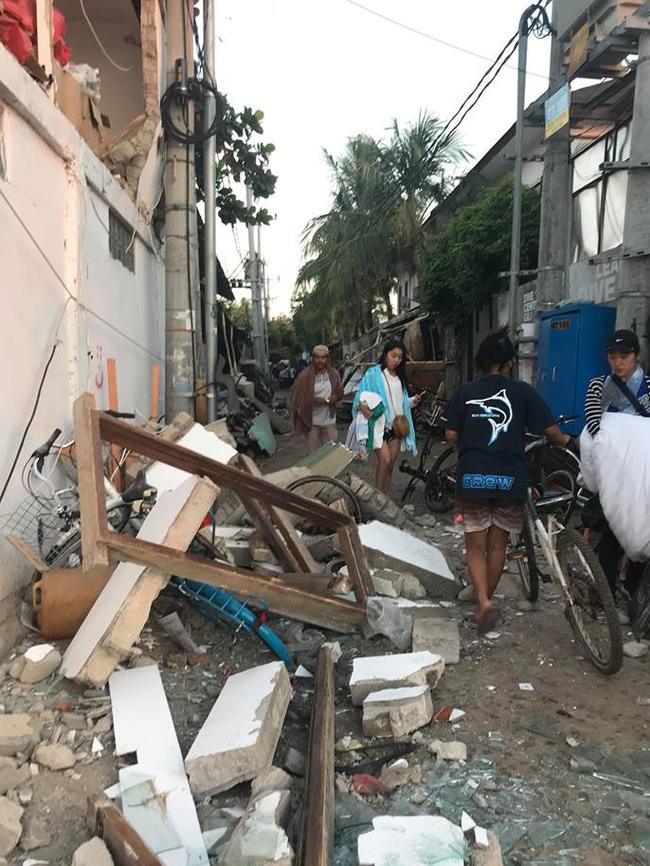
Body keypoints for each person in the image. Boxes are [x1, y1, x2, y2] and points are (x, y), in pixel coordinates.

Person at [444, 331, 573, 634]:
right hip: (509, 480)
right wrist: (568, 441)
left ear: (482, 361)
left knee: (475, 545)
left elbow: (449, 435)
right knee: (497, 546)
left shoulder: (465, 392)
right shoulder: (523, 392)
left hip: (473, 478)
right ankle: (484, 601)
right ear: (509, 363)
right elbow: (552, 432)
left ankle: (484, 603)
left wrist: (471, 440)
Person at [584, 329, 650, 606]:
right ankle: (607, 593)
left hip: (641, 471)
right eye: (613, 356)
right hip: (612, 470)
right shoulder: (599, 385)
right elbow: (594, 423)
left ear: (636, 355)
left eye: (624, 356)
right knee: (612, 531)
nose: (618, 362)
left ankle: (632, 587)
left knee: (641, 529)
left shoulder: (648, 386)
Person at [352, 338, 423, 493]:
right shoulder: (374, 374)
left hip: (396, 428)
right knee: (385, 460)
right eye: (393, 355)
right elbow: (359, 395)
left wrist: (413, 401)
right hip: (379, 426)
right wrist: (362, 406)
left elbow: (401, 403)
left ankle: (384, 498)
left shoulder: (400, 378)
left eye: (399, 357)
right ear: (385, 355)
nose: (396, 360)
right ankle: (377, 498)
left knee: (390, 465)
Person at [290, 345, 342, 453]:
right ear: (313, 358)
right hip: (311, 423)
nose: (320, 360)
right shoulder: (304, 376)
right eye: (317, 357)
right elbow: (295, 397)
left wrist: (335, 398)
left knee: (331, 456)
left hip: (329, 422)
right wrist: (312, 400)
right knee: (313, 458)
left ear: (327, 359)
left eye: (323, 357)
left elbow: (340, 392)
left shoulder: (334, 374)